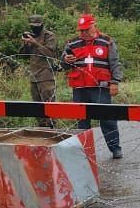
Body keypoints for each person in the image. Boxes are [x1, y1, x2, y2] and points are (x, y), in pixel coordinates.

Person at [64, 13, 124, 159]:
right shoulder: (71, 43)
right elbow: (62, 64)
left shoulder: (107, 41)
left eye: (86, 29)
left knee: (107, 118)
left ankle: (115, 148)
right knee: (82, 120)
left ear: (94, 26)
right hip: (80, 88)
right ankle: (84, 152)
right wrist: (65, 59)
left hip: (101, 87)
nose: (84, 33)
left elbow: (115, 63)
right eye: (81, 30)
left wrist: (115, 82)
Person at [18, 14, 60, 128]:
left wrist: (35, 43)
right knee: (37, 106)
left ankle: (52, 128)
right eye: (32, 26)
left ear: (42, 25)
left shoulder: (49, 36)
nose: (34, 28)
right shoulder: (31, 36)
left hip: (46, 76)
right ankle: (41, 127)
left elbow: (49, 53)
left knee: (49, 105)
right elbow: (22, 56)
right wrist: (26, 44)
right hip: (34, 76)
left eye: (37, 26)